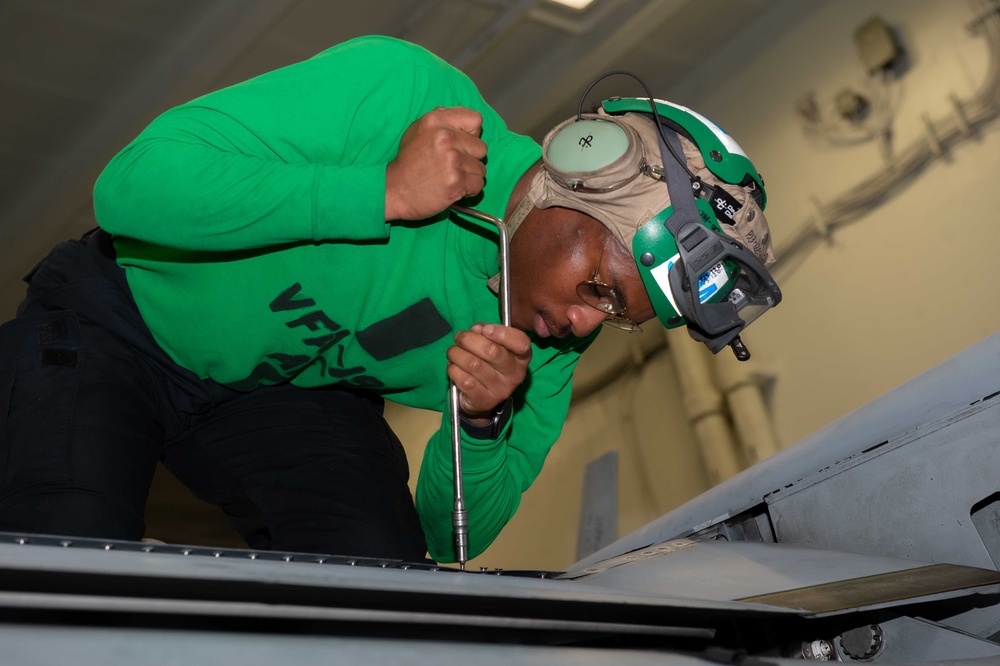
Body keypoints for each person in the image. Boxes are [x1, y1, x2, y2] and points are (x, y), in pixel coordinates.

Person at [0, 36, 776, 564]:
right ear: (577, 175)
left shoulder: (548, 343)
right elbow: (128, 189)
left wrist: (479, 421)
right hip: (116, 322)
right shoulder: (405, 90)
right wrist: (378, 192)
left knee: (383, 575)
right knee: (71, 554)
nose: (582, 323)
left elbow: (450, 540)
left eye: (612, 315)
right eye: (601, 288)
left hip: (274, 394)